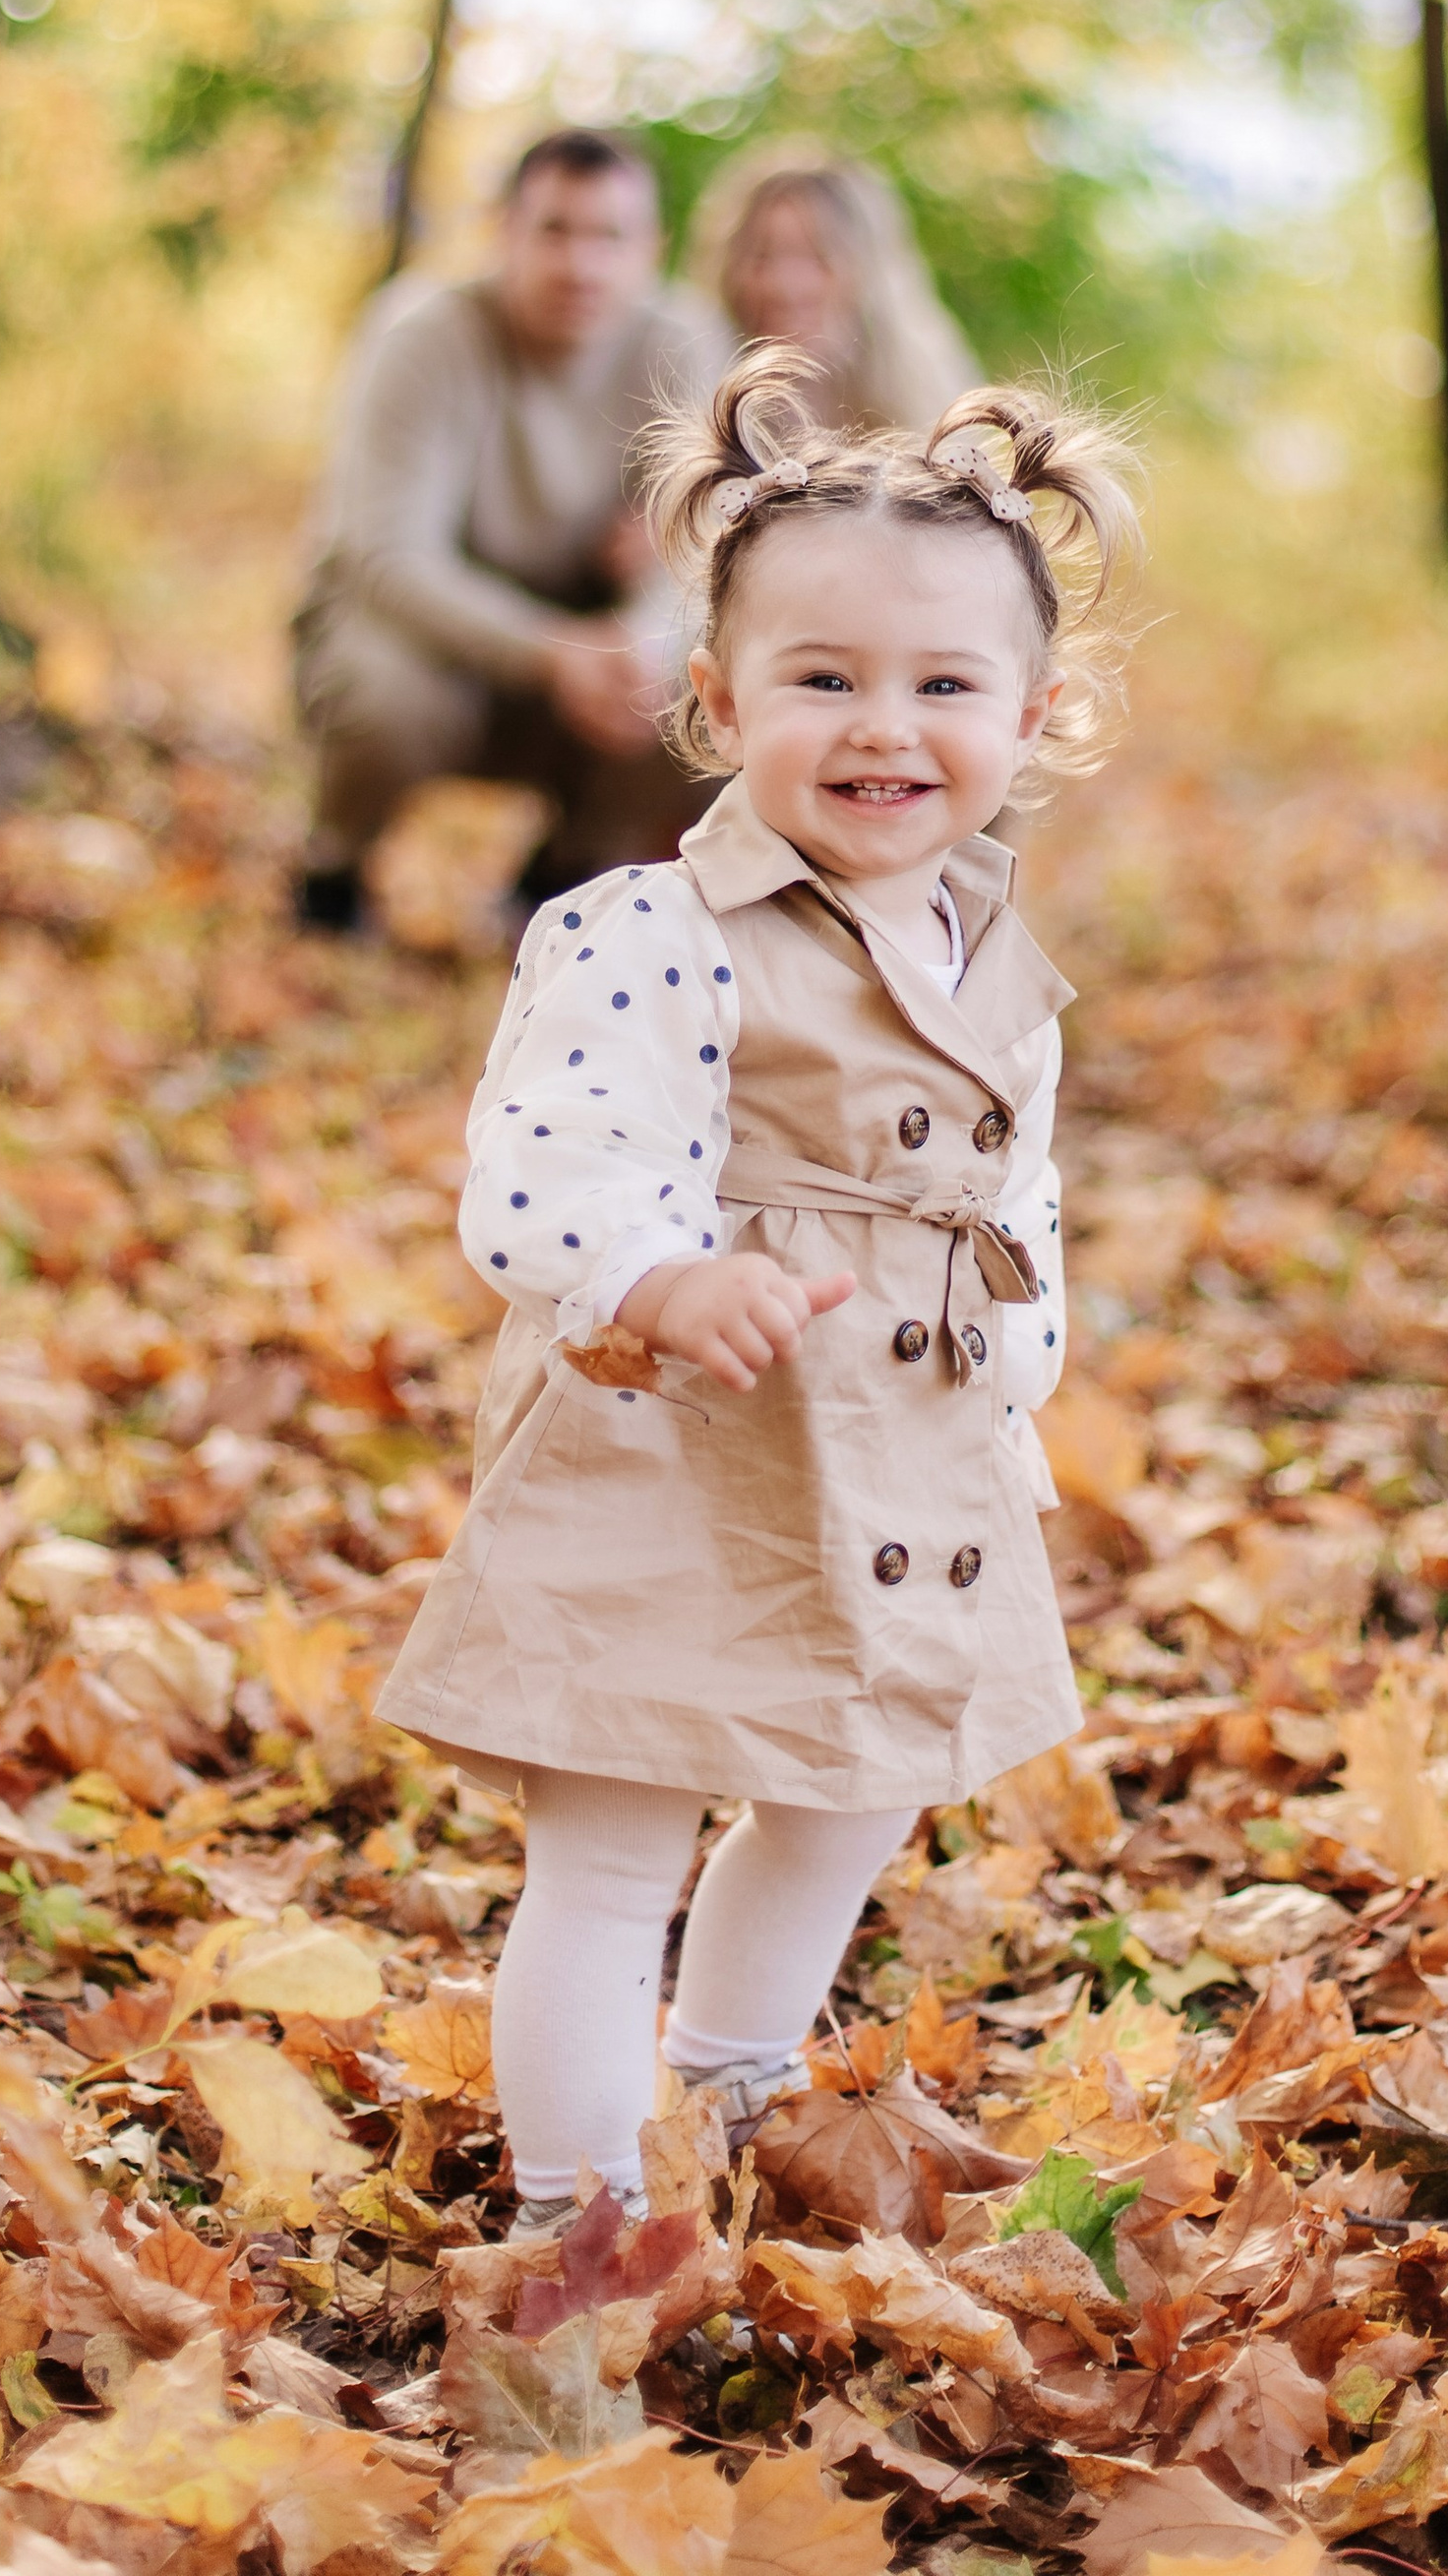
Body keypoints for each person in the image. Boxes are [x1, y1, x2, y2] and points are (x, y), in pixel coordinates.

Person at [377, 344, 1137, 2224]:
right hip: (677, 1443)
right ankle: (577, 2207)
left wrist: (1016, 1374)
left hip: (900, 1457)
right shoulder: (652, 934)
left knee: (854, 1793)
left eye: (943, 685)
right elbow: (545, 1163)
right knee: (616, 1844)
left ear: (1035, 714)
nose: (886, 727)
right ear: (719, 702)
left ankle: (730, 2072)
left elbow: (1012, 1190)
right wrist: (661, 1270)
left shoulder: (990, 950)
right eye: (823, 679)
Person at [291, 129, 727, 931]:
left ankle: (570, 875)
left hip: (592, 640)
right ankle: (336, 868)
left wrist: (636, 645)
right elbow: (387, 558)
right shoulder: (423, 335)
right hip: (431, 642)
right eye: (554, 230)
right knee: (384, 700)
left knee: (709, 696)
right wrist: (553, 652)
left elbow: (700, 549)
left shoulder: (684, 342)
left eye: (610, 237)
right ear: (502, 232)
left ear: (652, 249)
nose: (580, 264)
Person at [691, 146, 977, 439]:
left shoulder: (929, 402)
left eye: (817, 256)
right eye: (762, 256)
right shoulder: (697, 393)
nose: (785, 285)